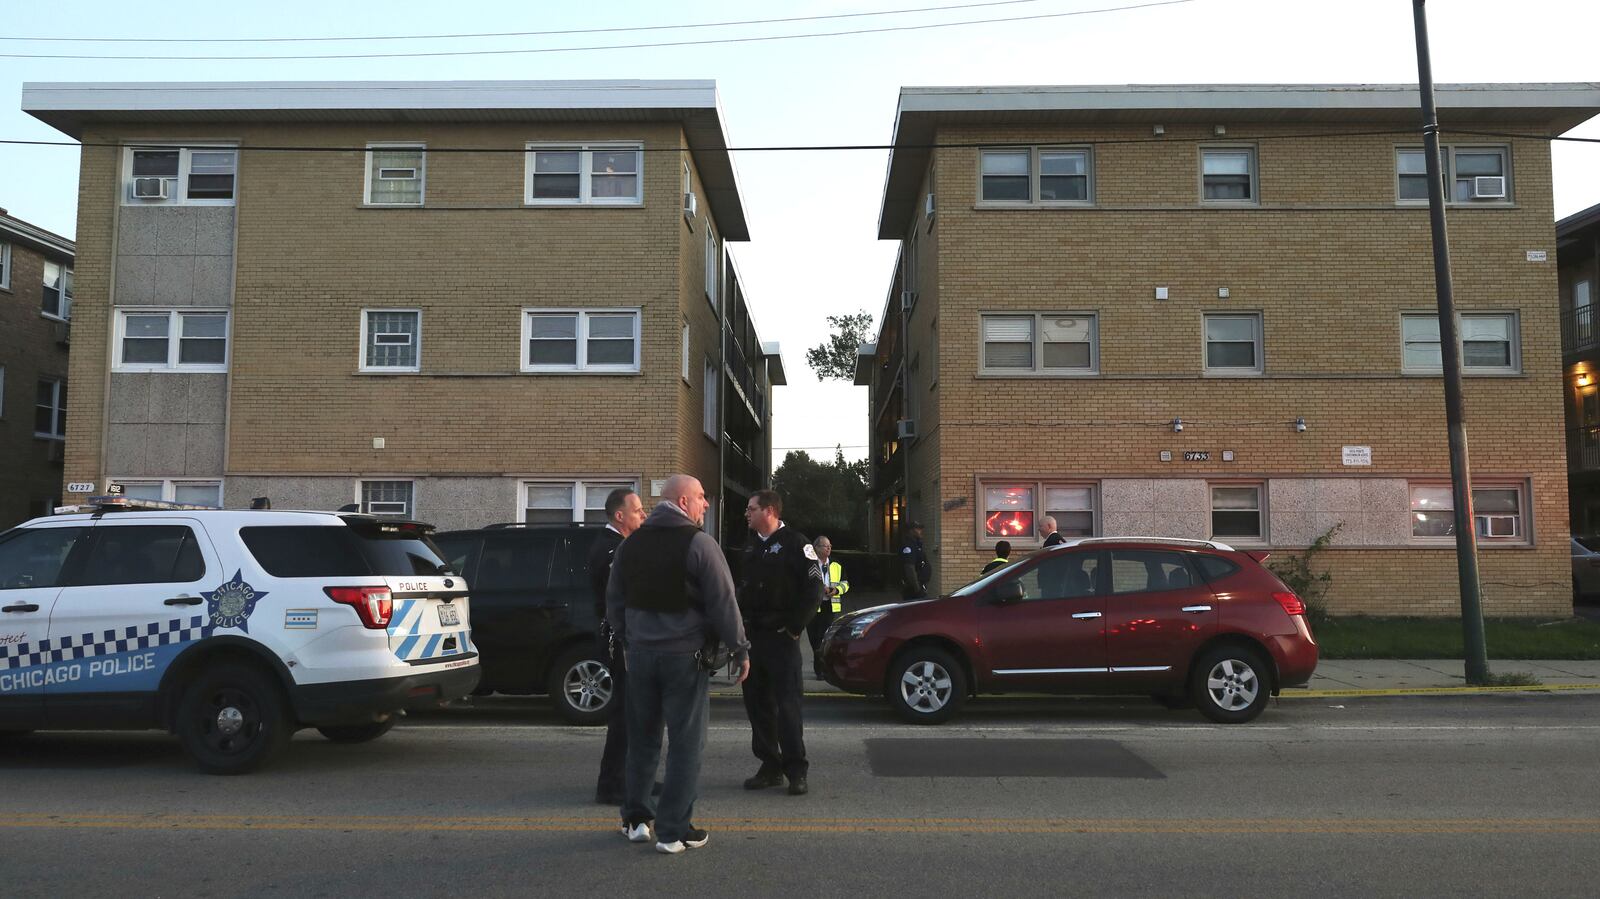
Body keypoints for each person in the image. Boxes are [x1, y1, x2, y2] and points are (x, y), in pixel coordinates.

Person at [606, 475, 750, 855]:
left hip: (639, 656)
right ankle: (672, 831)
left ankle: (636, 820)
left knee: (641, 739)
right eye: (701, 497)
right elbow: (723, 601)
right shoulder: (700, 544)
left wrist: (627, 639)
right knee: (686, 744)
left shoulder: (630, 545)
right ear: (683, 502)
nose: (705, 504)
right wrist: (740, 648)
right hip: (684, 658)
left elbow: (615, 600)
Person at [738, 489, 824, 796]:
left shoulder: (797, 544)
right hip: (754, 640)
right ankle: (769, 766)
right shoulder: (750, 548)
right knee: (757, 705)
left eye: (751, 508)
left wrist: (794, 627)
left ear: (770, 511)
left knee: (787, 707)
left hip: (782, 639)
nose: (746, 513)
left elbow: (815, 589)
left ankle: (795, 769)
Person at [589, 486, 647, 806]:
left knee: (636, 713)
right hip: (620, 641)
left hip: (629, 639)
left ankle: (634, 777)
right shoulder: (611, 549)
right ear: (620, 516)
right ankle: (611, 784)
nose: (643, 515)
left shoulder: (622, 545)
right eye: (638, 510)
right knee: (624, 714)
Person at [806, 536, 849, 679]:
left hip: (830, 606)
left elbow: (845, 584)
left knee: (824, 638)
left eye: (830, 546)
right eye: (825, 546)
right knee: (814, 638)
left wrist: (835, 590)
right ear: (816, 548)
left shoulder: (836, 564)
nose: (829, 548)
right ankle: (820, 665)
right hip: (813, 606)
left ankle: (821, 670)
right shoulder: (809, 564)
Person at [900, 520, 931, 599]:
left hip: (920, 585)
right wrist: (917, 589)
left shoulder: (916, 544)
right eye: (918, 529)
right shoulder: (909, 546)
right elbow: (910, 568)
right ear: (911, 531)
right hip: (913, 590)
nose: (921, 531)